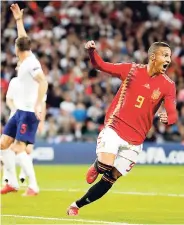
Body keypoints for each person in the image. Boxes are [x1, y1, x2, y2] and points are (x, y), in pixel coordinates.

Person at [67, 40, 177, 215]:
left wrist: (169, 118)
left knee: (111, 178)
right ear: (152, 57)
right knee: (105, 165)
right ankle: (97, 167)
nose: (168, 60)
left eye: (169, 56)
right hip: (115, 127)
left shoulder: (168, 85)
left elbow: (173, 112)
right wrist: (91, 52)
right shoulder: (131, 70)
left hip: (136, 140)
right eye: (165, 55)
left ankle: (77, 205)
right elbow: (100, 65)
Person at [0, 3, 48, 196]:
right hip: (19, 111)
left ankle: (34, 186)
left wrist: (38, 105)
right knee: (3, 144)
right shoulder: (27, 57)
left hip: (28, 112)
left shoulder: (31, 64)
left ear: (16, 49)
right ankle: (11, 181)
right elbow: (23, 39)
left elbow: (43, 82)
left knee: (20, 148)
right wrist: (19, 20)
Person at [1, 62, 46, 187]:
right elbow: (9, 99)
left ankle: (26, 179)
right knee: (5, 146)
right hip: (15, 117)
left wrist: (41, 120)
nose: (17, 67)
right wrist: (15, 109)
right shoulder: (14, 82)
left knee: (25, 149)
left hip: (29, 117)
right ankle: (8, 179)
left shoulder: (36, 84)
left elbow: (42, 103)